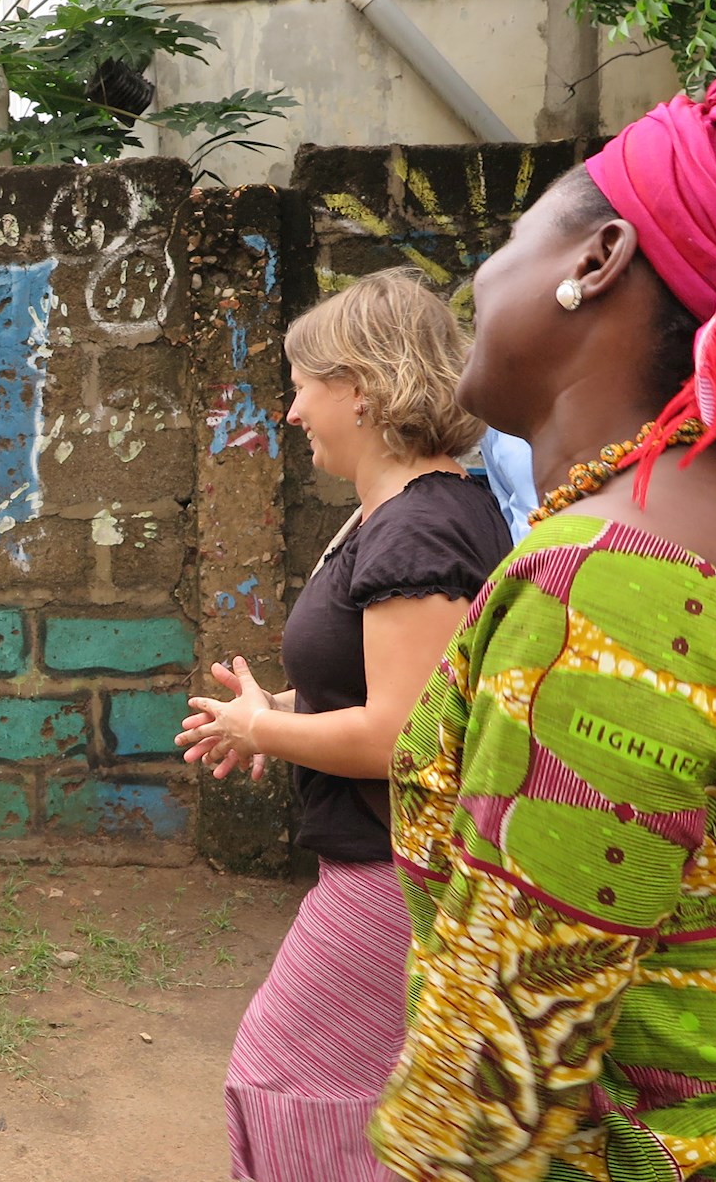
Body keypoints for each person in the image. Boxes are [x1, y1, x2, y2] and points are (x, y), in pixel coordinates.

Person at [369, 68, 716, 1180]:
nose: (476, 275)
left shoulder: (606, 585)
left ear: (596, 258)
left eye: (509, 236)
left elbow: (493, 1092)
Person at [177, 269, 511, 1182]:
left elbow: (404, 736)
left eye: (302, 385)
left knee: (290, 1074)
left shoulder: (421, 528)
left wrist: (266, 731)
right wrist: (265, 713)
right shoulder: (403, 518)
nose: (292, 412)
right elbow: (390, 692)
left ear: (359, 389)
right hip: (374, 861)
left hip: (389, 868)